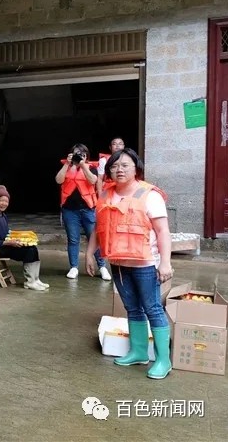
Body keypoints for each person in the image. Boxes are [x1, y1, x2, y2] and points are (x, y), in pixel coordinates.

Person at [85, 148, 173, 380]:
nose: (119, 169)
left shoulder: (149, 194)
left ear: (136, 168)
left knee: (152, 308)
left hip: (145, 263)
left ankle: (164, 360)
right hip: (118, 261)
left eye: (125, 165)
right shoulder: (105, 195)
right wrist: (89, 254)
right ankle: (139, 352)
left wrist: (165, 262)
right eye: (114, 166)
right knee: (132, 308)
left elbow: (163, 231)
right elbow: (97, 227)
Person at [55, 144, 111, 281]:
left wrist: (83, 165)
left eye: (81, 154)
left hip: (88, 209)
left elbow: (93, 180)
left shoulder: (91, 167)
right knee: (73, 239)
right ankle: (73, 267)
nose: (78, 156)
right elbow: (59, 180)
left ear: (86, 156)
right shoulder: (66, 167)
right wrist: (68, 164)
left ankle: (102, 266)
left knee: (95, 239)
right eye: (76, 154)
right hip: (69, 210)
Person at [0, 186, 49, 291]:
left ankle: (35, 279)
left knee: (32, 248)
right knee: (28, 251)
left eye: (6, 201)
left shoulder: (3, 215)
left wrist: (17, 239)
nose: (4, 204)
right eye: (1, 201)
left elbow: (7, 233)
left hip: (6, 244)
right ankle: (30, 282)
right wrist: (9, 243)